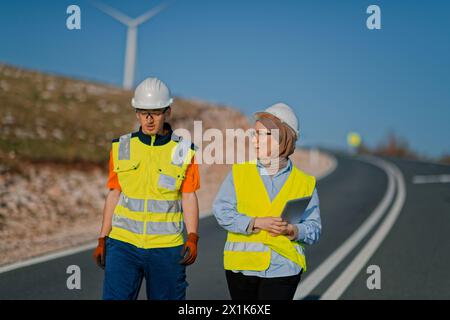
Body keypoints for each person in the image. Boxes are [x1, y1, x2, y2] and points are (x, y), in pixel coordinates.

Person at [92, 77, 200, 300]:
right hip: (123, 246)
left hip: (167, 248)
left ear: (167, 112)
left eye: (156, 112)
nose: (149, 119)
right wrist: (103, 238)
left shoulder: (183, 150)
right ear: (136, 113)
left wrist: (192, 237)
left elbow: (188, 196)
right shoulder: (121, 147)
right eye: (143, 112)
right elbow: (114, 193)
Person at [213, 102, 321, 300]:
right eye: (255, 134)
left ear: (283, 138)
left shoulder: (305, 183)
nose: (255, 141)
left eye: (263, 135)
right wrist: (255, 222)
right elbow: (222, 212)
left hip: (284, 269)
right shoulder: (239, 173)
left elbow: (314, 228)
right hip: (241, 269)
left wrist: (293, 230)